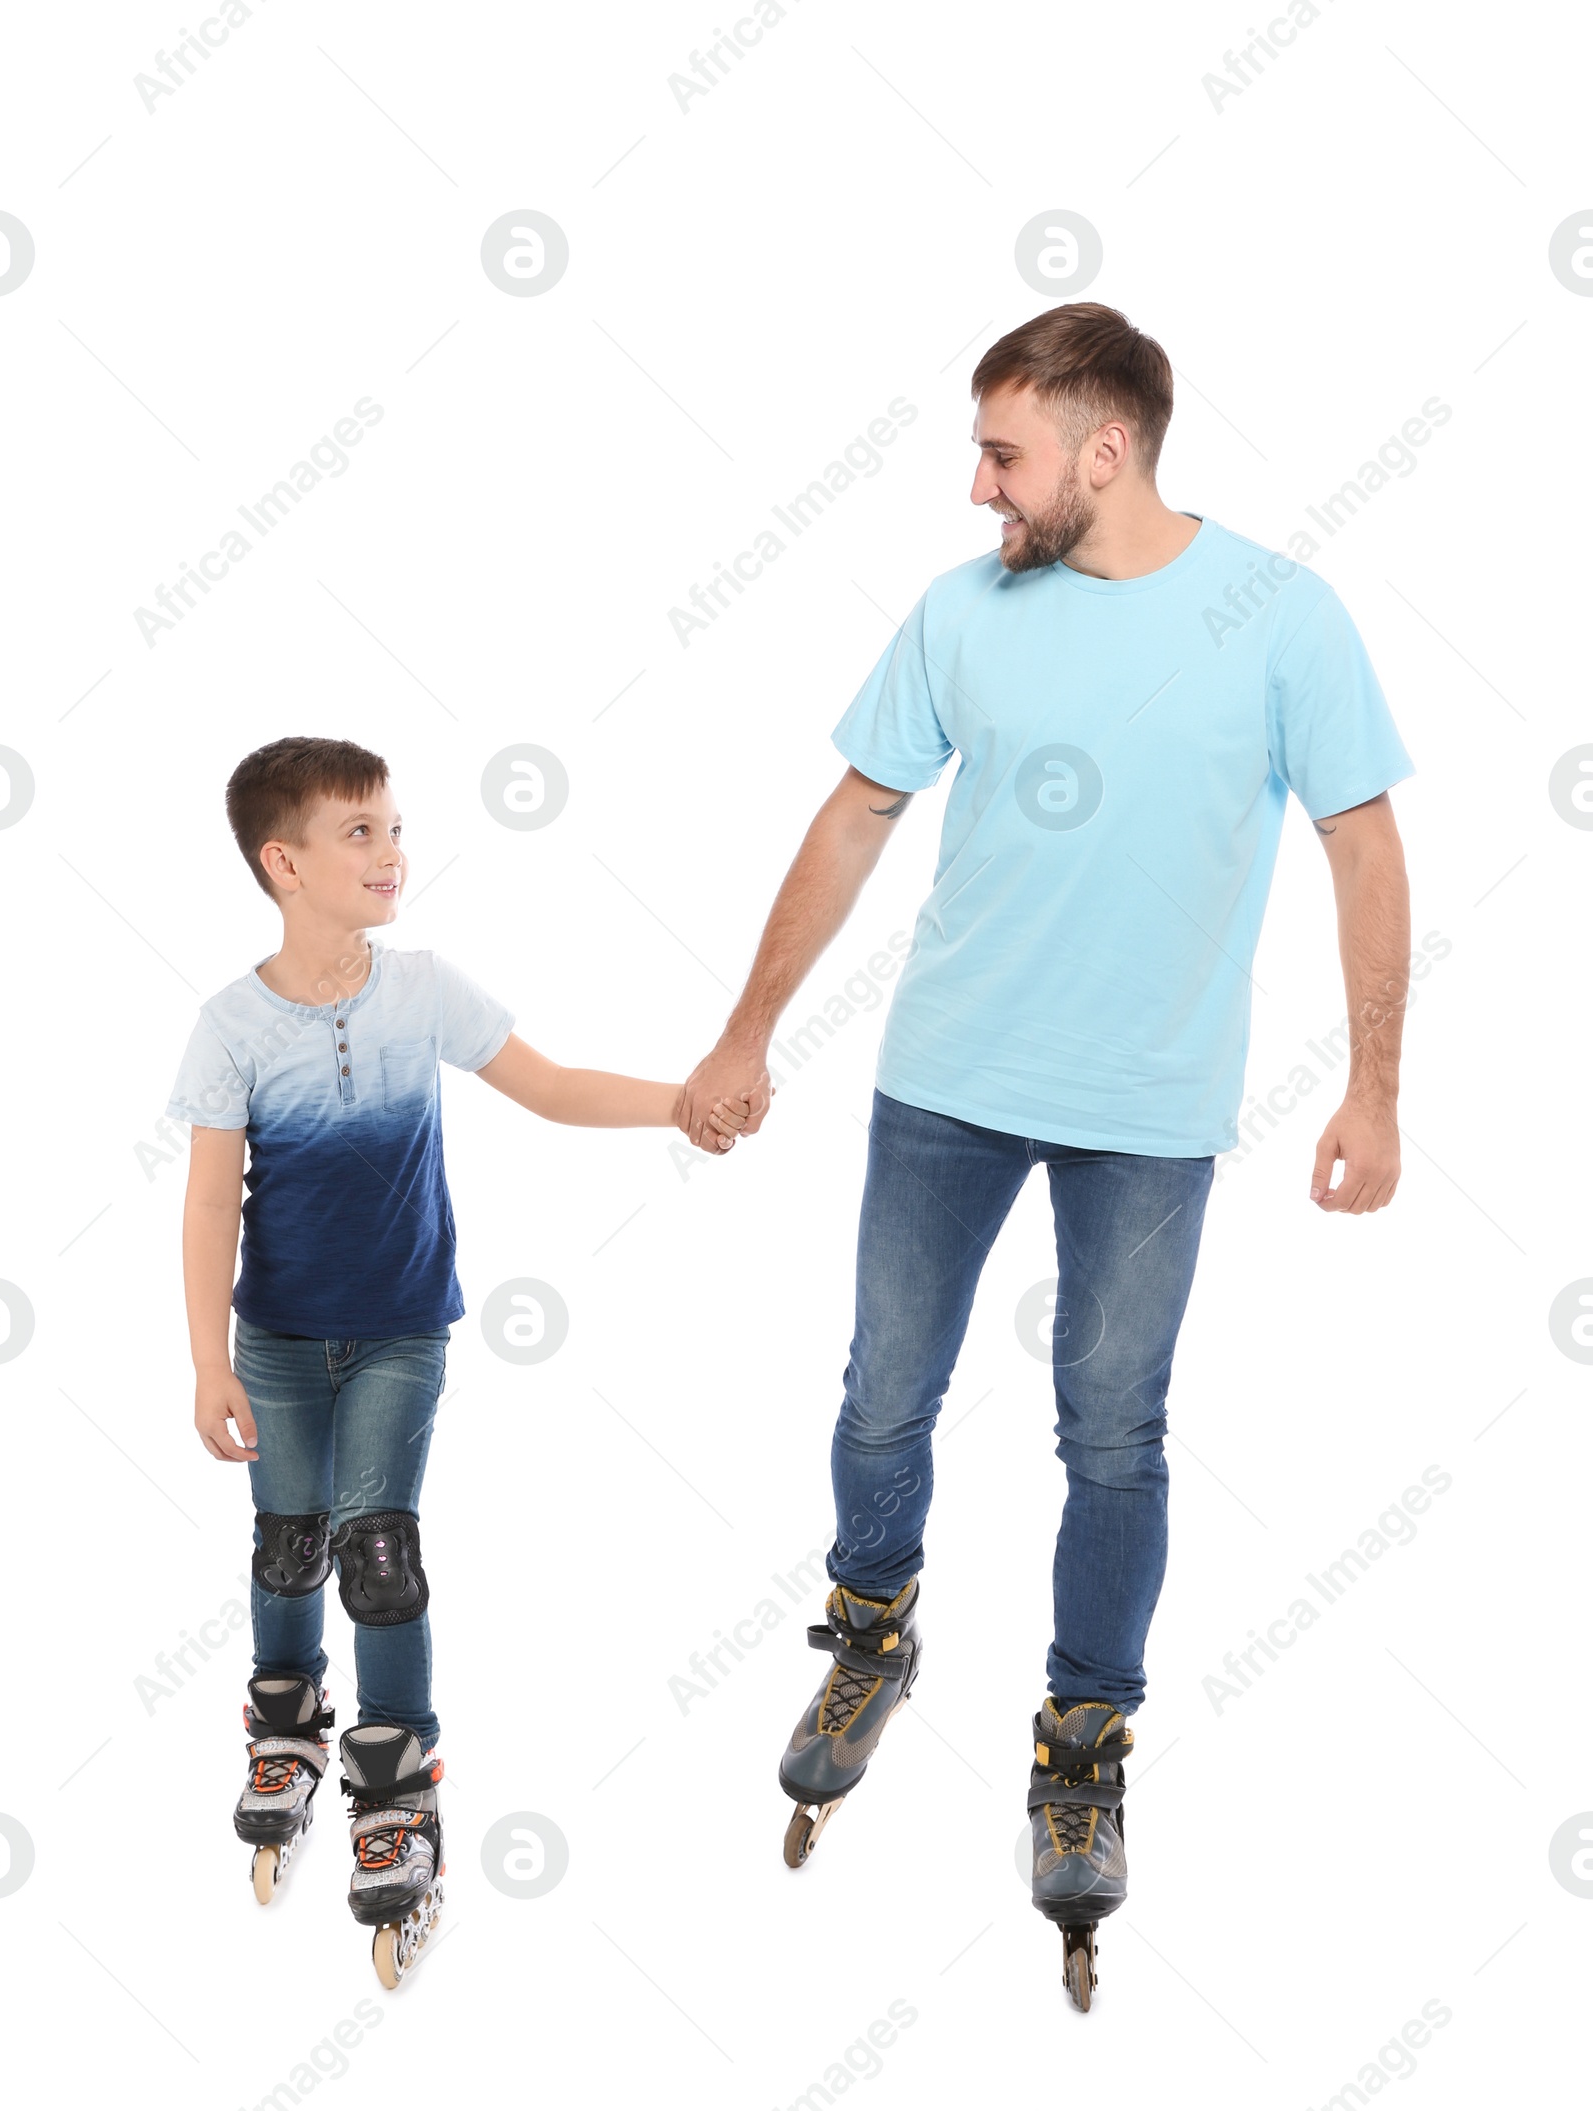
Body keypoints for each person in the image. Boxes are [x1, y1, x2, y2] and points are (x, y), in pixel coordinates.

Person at [675, 301, 1413, 2009]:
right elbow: (855, 817)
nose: (976, 487)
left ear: (1109, 448)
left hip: (1149, 1111)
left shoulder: (1282, 619)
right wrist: (744, 1033)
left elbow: (1365, 853)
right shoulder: (961, 613)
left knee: (1114, 1431)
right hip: (944, 1080)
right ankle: (873, 1630)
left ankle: (1083, 1735)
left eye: (1003, 453)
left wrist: (1373, 1086)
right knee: (882, 1397)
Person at [167, 734, 746, 1985]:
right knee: (288, 1539)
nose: (391, 851)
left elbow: (545, 1086)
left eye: (392, 825)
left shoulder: (422, 988)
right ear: (284, 862)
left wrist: (682, 1099)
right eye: (358, 832)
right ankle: (285, 1722)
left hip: (399, 1329)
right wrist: (207, 1360)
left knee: (378, 1549)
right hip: (273, 1338)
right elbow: (212, 1205)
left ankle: (398, 1775)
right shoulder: (230, 1024)